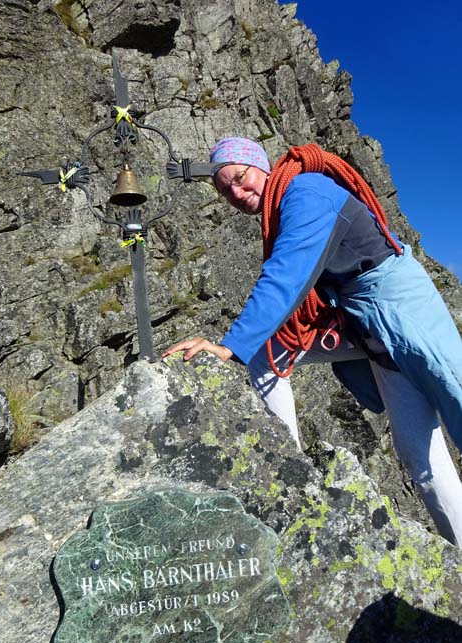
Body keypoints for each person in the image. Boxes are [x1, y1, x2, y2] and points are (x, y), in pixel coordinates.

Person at [162, 136, 462, 548]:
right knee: (420, 461)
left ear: (261, 167)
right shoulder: (285, 205)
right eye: (224, 189)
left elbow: (287, 275)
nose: (236, 191)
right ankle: (290, 470)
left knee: (457, 396)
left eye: (239, 177)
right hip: (365, 323)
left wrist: (229, 346)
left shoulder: (306, 193)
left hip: (401, 306)